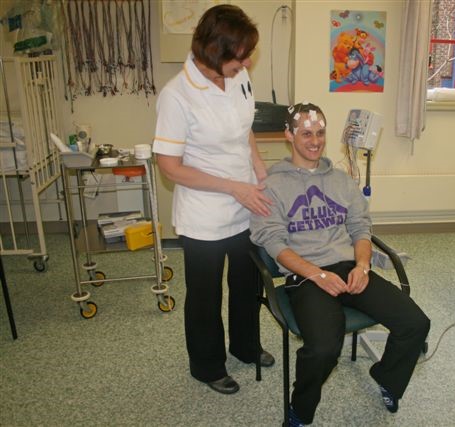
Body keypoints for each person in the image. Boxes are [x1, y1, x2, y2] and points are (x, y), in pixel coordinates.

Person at [250, 102, 430, 425]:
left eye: (319, 133)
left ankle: (387, 378)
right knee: (322, 349)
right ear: (288, 136)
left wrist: (362, 266)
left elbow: (361, 228)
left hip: (349, 270)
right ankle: (299, 411)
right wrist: (316, 274)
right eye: (306, 133)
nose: (315, 140)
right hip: (305, 277)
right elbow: (274, 244)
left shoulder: (341, 180)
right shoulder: (272, 186)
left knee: (415, 323)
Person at [152, 4, 274, 395]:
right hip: (205, 213)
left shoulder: (237, 77)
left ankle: (246, 345)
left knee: (246, 283)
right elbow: (169, 166)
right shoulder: (177, 95)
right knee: (205, 296)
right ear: (215, 51)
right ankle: (207, 365)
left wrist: (258, 168)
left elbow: (244, 129)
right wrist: (232, 186)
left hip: (245, 203)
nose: (248, 61)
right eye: (240, 55)